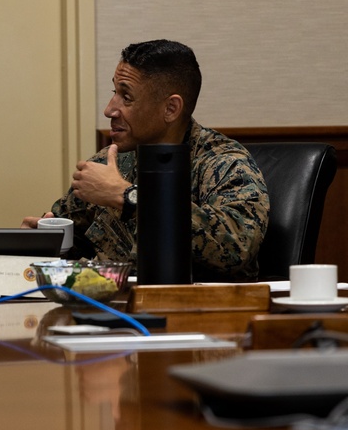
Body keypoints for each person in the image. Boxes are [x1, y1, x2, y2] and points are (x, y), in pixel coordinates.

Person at [22, 39, 269, 282]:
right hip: (111, 307)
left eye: (126, 97)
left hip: (197, 313)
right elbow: (76, 241)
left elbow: (237, 247)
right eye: (114, 92)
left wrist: (128, 197)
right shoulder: (112, 161)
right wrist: (45, 240)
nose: (109, 109)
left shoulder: (223, 162)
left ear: (171, 109)